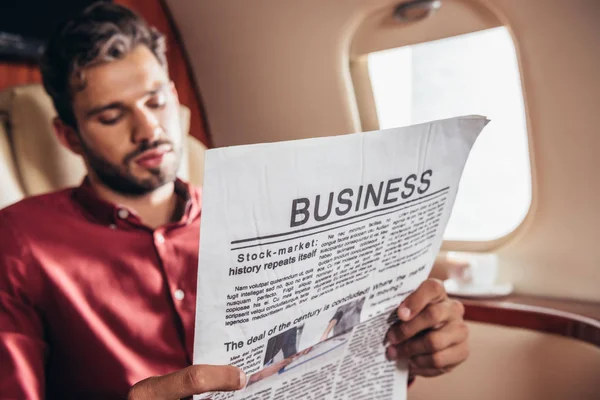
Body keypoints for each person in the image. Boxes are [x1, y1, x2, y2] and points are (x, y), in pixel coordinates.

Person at [0, 2, 469, 399]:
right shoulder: (20, 241)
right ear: (69, 137)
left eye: (156, 100)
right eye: (110, 116)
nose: (149, 130)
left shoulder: (256, 217)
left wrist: (408, 346)